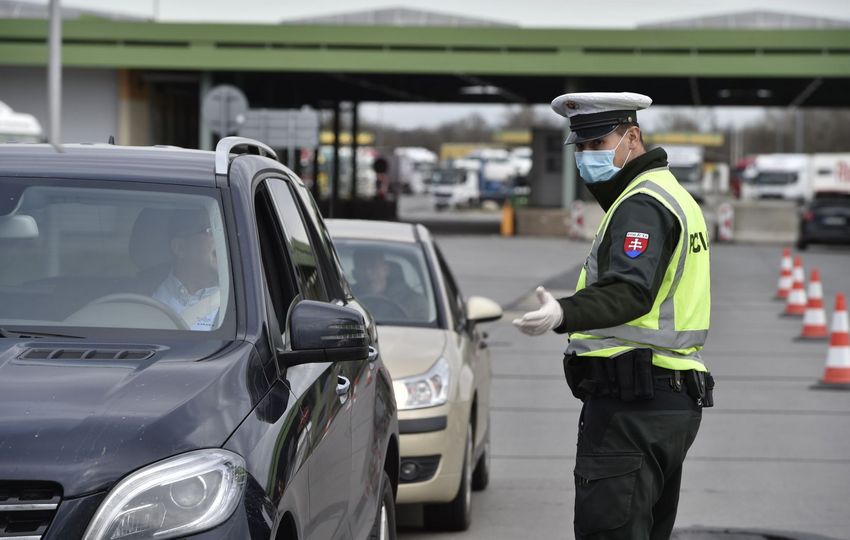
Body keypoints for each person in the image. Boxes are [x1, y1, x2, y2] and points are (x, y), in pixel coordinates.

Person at [512, 92, 713, 539]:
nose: (586, 157)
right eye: (580, 148)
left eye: (598, 144)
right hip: (665, 402)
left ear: (632, 137)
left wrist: (563, 313)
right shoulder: (669, 193)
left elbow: (630, 290)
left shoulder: (641, 203)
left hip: (633, 407)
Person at [152, 209, 220, 331]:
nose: (223, 238)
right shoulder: (146, 302)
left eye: (222, 230)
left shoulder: (241, 300)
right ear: (180, 247)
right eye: (211, 231)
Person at [351, 247, 426, 320]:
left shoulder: (414, 301)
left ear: (386, 269)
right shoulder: (346, 300)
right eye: (362, 268)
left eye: (373, 266)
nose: (368, 273)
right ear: (354, 274)